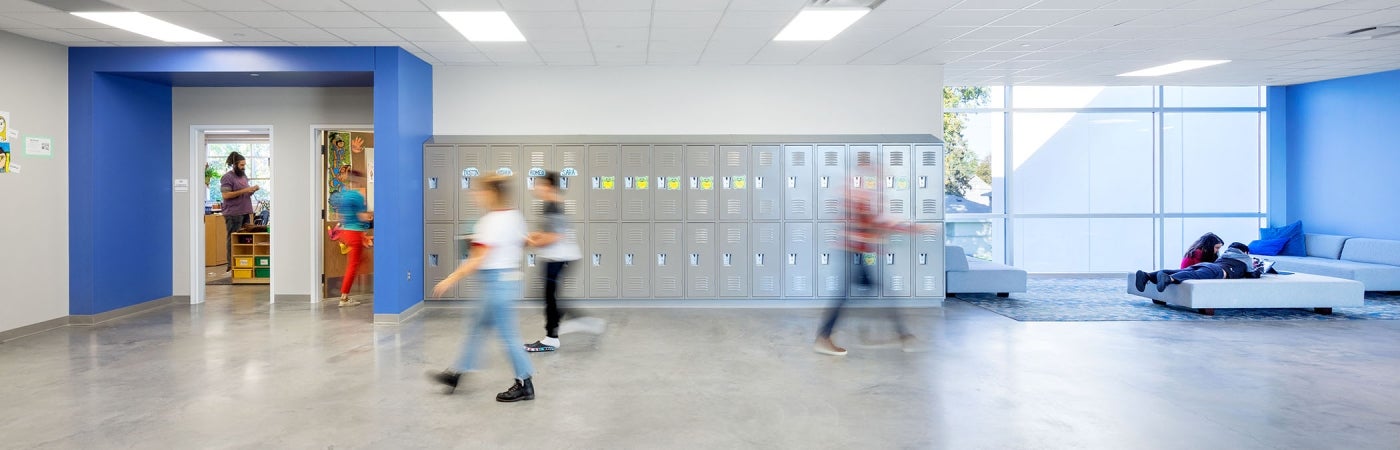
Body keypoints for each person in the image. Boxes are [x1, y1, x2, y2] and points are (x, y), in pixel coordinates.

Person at [430, 175, 536, 403]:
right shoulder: (514, 217)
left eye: (479, 191)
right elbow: (525, 241)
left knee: (508, 335)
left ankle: (525, 383)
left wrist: (451, 278)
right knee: (476, 327)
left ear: (492, 193)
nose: (475, 195)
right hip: (507, 281)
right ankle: (456, 374)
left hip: (495, 284)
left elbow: (478, 259)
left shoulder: (490, 222)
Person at [815, 185, 922, 356]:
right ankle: (823, 337)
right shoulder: (860, 198)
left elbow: (875, 225)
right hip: (852, 253)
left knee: (855, 294)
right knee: (847, 295)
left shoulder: (863, 198)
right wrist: (907, 228)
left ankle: (904, 335)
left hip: (859, 254)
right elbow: (872, 224)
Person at [523, 172, 583, 352]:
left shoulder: (554, 206)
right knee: (548, 296)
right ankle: (572, 320)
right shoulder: (550, 204)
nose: (535, 187)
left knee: (549, 296)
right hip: (556, 257)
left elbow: (555, 235)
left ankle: (552, 337)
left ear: (549, 186)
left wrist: (532, 242)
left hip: (560, 257)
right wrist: (532, 237)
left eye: (540, 184)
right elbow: (546, 231)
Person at [1135, 242, 1263, 293]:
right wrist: (1259, 270)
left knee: (1183, 271)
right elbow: (1252, 274)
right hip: (1218, 271)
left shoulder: (1225, 254)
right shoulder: (1245, 258)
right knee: (1193, 275)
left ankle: (1146, 275)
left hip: (1209, 265)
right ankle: (1169, 279)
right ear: (1244, 251)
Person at [328, 170, 372, 307]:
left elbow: (340, 216)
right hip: (355, 233)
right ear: (358, 180)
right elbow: (360, 216)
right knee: (353, 266)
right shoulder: (357, 196)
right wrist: (372, 217)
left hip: (346, 232)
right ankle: (344, 297)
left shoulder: (344, 195)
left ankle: (344, 289)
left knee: (359, 262)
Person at [220, 152, 260, 270]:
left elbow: (245, 192)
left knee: (245, 239)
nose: (244, 167)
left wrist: (252, 190)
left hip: (245, 211)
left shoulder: (243, 176)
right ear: (234, 165)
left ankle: (244, 264)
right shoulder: (227, 177)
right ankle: (231, 265)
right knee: (234, 239)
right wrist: (245, 190)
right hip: (233, 214)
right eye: (242, 165)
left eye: (244, 165)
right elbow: (226, 195)